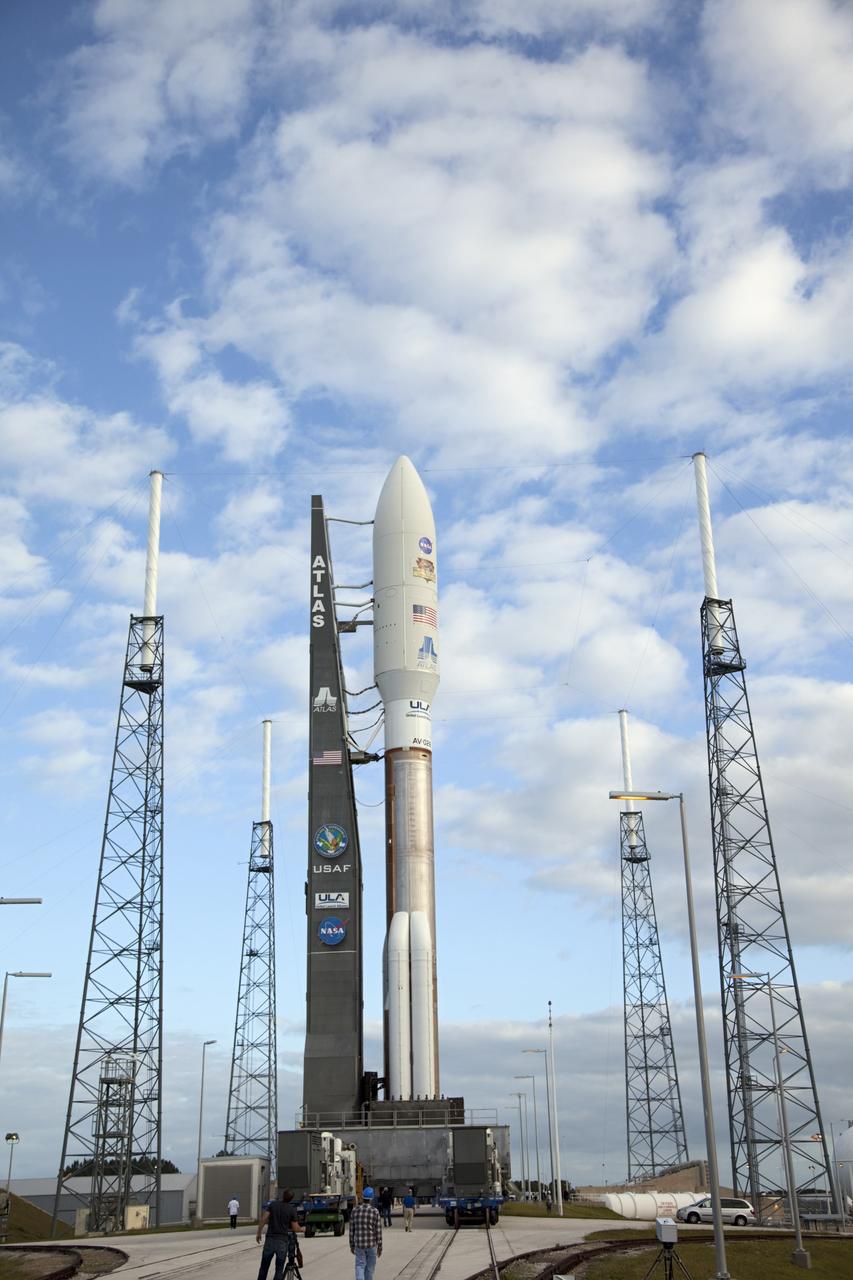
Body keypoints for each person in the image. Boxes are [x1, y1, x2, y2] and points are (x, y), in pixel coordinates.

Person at [256, 1188, 304, 1280]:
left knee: (264, 1267)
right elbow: (295, 1228)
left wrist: (259, 1233)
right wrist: (303, 1229)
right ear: (291, 1199)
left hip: (270, 1239)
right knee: (279, 1269)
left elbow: (263, 1218)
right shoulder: (291, 1210)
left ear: (283, 1196)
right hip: (282, 1241)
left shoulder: (273, 1205)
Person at [349, 1186, 382, 1280]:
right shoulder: (375, 1211)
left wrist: (351, 1245)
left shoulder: (355, 1211)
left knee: (360, 1266)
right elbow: (378, 1231)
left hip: (359, 1245)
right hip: (372, 1245)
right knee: (370, 1269)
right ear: (371, 1199)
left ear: (363, 1197)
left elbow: (352, 1230)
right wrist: (380, 1246)